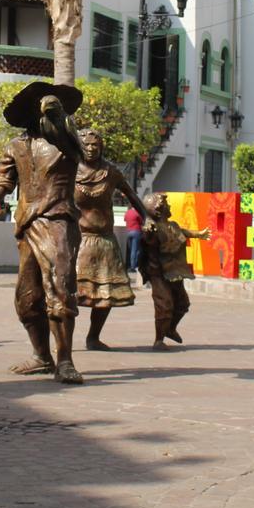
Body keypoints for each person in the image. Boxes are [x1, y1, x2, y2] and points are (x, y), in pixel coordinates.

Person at [0, 81, 85, 385]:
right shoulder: (15, 146)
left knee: (60, 288)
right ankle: (42, 356)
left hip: (58, 220)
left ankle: (65, 360)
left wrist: (56, 115)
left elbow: (73, 144)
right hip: (27, 224)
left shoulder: (65, 143)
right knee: (27, 298)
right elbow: (2, 182)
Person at [73, 128, 147, 351]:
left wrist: (147, 218)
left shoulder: (111, 172)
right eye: (86, 145)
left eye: (96, 145)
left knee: (105, 296)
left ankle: (93, 337)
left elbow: (132, 195)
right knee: (67, 294)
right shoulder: (69, 171)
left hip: (105, 240)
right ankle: (61, 339)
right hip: (77, 240)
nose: (91, 149)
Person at [140, 193, 210, 351]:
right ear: (160, 209)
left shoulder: (172, 225)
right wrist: (148, 227)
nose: (170, 206)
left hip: (175, 271)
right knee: (165, 305)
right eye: (167, 205)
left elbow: (182, 232)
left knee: (182, 303)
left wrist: (198, 234)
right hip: (158, 273)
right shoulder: (152, 228)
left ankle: (170, 329)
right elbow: (147, 237)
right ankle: (158, 340)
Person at [124, 204, 143, 274]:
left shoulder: (127, 212)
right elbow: (141, 222)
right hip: (136, 232)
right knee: (135, 250)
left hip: (128, 232)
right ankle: (133, 267)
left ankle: (131, 264)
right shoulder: (137, 213)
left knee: (131, 249)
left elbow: (125, 219)